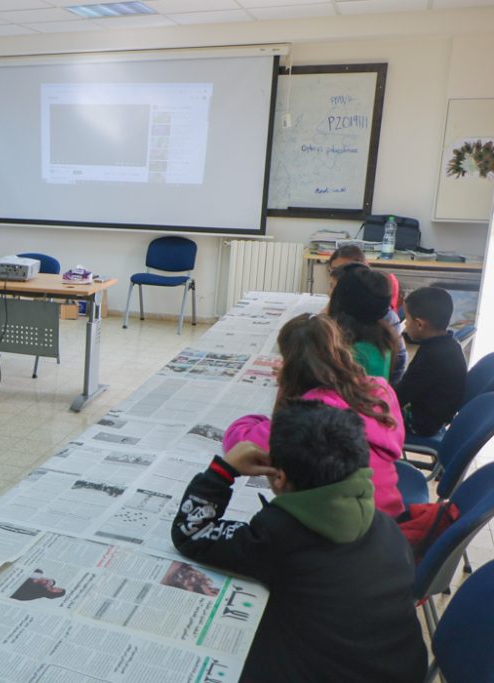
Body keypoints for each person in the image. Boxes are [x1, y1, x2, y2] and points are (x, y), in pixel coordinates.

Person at [173, 400, 427, 682]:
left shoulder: (279, 534)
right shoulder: (384, 524)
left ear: (278, 477)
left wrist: (223, 470)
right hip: (402, 669)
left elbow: (192, 532)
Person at [223, 313, 405, 518]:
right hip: (389, 515)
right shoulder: (380, 388)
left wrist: (284, 389)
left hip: (347, 526)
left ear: (290, 363)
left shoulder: (309, 410)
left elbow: (239, 443)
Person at [327, 245, 407, 382]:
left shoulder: (356, 350)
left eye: (334, 288)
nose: (329, 293)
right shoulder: (379, 332)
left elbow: (334, 385)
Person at [396, 286, 467, 436]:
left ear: (420, 324)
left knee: (363, 415)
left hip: (421, 423)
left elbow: (399, 397)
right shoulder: (448, 344)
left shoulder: (433, 356)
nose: (405, 325)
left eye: (407, 320)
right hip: (435, 416)